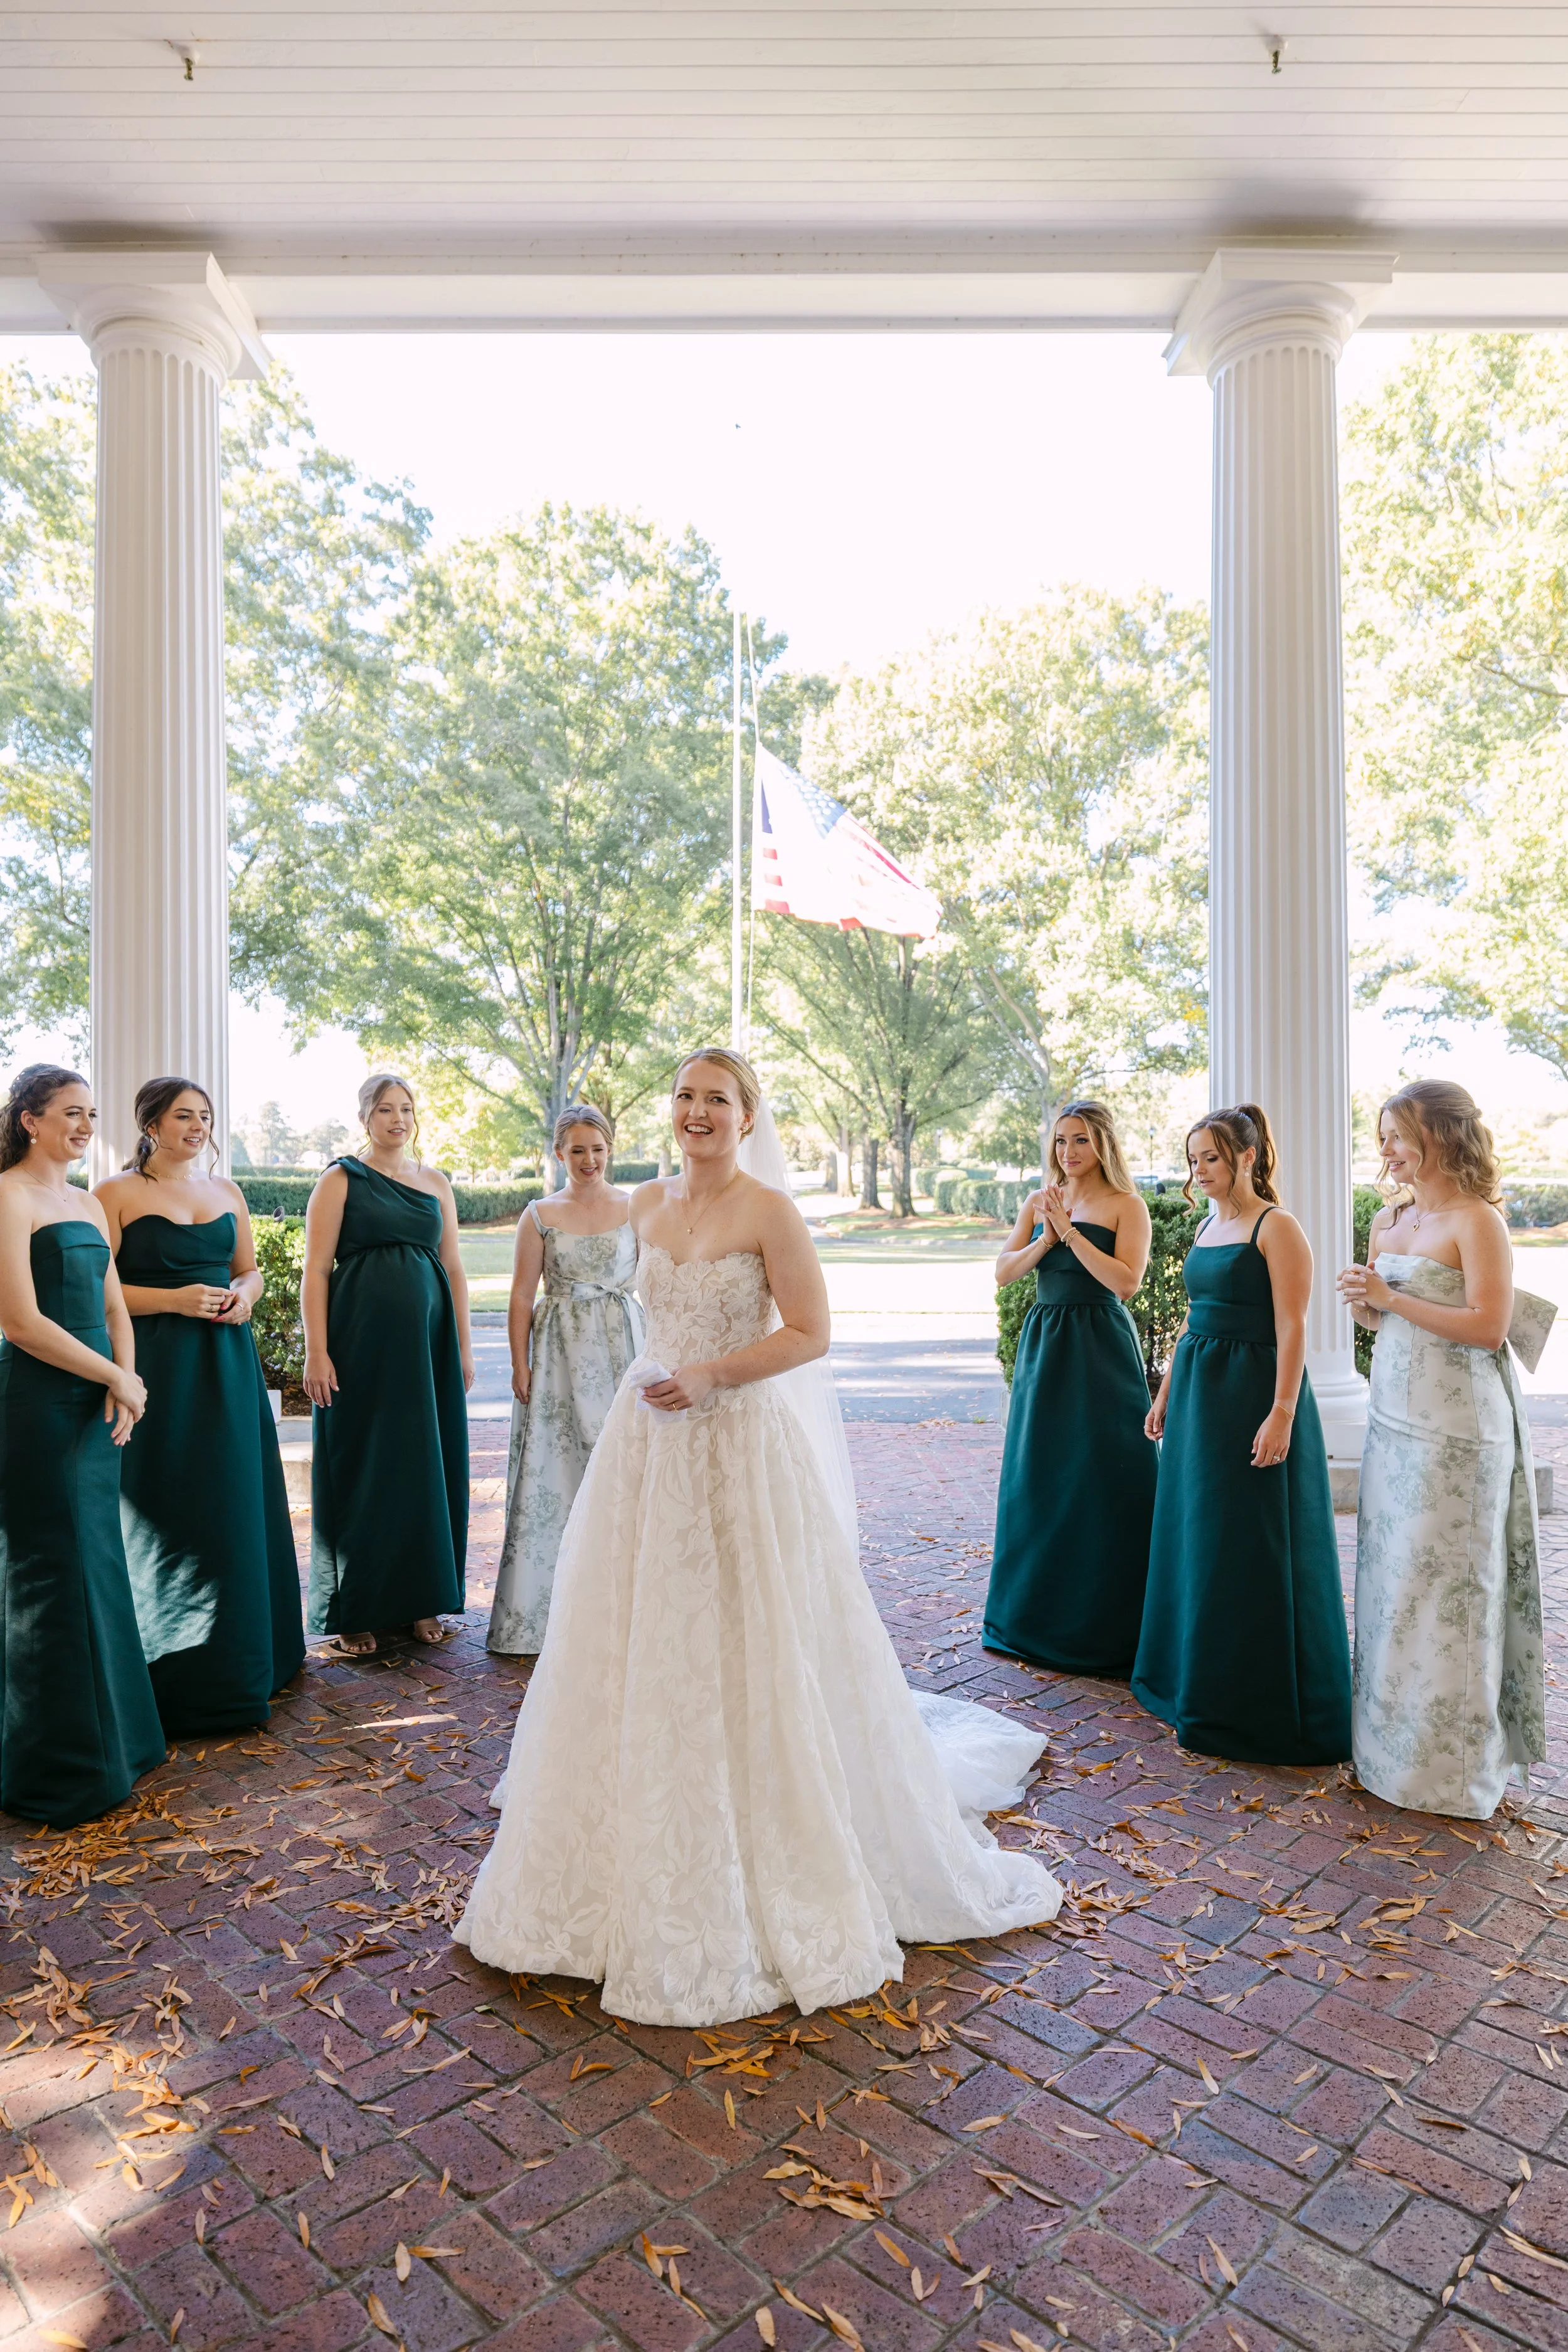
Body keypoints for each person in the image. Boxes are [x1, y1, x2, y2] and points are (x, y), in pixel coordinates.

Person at [457, 1047, 1061, 2025]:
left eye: (718, 1100)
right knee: (642, 1631)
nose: (698, 1112)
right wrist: (658, 1373)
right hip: (648, 1450)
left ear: (748, 1117)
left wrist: (712, 1375)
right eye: (686, 1097)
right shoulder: (643, 1204)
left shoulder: (769, 1211)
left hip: (736, 1439)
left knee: (755, 1629)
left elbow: (811, 1332)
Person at [1339, 1081, 1545, 1817]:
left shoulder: (1476, 1220)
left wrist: (1391, 1299)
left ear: (1440, 1139)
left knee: (1449, 1589)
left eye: (1397, 1136)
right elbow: (1378, 1322)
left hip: (1460, 1429)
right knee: (1393, 1584)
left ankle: (1447, 1773)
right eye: (1384, 1136)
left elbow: (1489, 1328)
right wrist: (1365, 1299)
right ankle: (1386, 1753)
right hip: (1392, 1421)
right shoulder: (1385, 1218)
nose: (1386, 1150)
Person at [1132, 1104, 1351, 1764]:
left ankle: (1251, 1702)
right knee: (1199, 1534)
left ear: (1247, 1158)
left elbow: (1293, 1326)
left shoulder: (1275, 1227)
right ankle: (1189, 1682)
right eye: (1193, 1159)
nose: (1198, 1171)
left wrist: (1282, 1410)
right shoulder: (1207, 1224)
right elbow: (1191, 1318)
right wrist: (1167, 1392)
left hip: (1252, 1395)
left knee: (1248, 1540)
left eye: (1212, 1158)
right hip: (1200, 1395)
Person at [93, 1077, 305, 1737]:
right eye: (185, 1115)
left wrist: (244, 1293)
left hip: (225, 1367)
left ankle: (246, 1660)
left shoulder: (228, 1192)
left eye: (206, 1117)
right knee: (165, 1502)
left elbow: (249, 1268)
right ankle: (164, 1670)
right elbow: (99, 1292)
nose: (198, 1127)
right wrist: (175, 1300)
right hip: (156, 1366)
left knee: (231, 1497)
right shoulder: (115, 1195)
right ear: (150, 1124)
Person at [0, 1066, 165, 1825]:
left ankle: (119, 1743)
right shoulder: (8, 1195)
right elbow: (21, 1323)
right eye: (70, 1113)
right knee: (51, 1573)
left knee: (99, 1564)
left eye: (92, 1115)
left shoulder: (89, 1204)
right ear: (29, 1120)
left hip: (100, 1403)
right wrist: (114, 1378)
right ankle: (55, 1765)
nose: (85, 1126)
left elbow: (113, 1305)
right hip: (37, 1405)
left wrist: (123, 1381)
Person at [984, 1101, 1157, 1674]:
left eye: (1079, 1140)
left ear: (1102, 1144)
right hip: (1047, 1341)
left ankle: (1111, 1626)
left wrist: (1073, 1237)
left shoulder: (1127, 1205)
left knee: (1108, 1474)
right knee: (1042, 1473)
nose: (1068, 1152)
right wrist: (1044, 1238)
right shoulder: (1040, 1201)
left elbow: (1127, 1283)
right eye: (1060, 1141)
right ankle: (1033, 1620)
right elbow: (1004, 1271)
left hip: (1100, 1343)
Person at [303, 1073, 472, 1655]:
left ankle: (423, 1598)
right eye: (385, 1109)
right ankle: (357, 1608)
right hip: (359, 1347)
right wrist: (317, 1350)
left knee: (426, 1464)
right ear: (365, 1117)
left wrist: (464, 1347)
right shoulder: (340, 1179)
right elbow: (317, 1269)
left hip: (428, 1352)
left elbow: (452, 1267)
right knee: (365, 1466)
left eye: (406, 1109)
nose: (398, 1119)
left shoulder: (435, 1183)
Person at [487, 1104, 644, 1656]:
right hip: (557, 1355)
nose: (589, 1160)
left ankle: (629, 1611)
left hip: (626, 1346)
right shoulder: (539, 1214)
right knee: (558, 1472)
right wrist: (519, 1363)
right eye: (577, 1150)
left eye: (598, 1149)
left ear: (610, 1150)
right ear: (560, 1153)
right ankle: (543, 1618)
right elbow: (520, 1295)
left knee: (624, 1467)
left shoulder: (638, 1207)